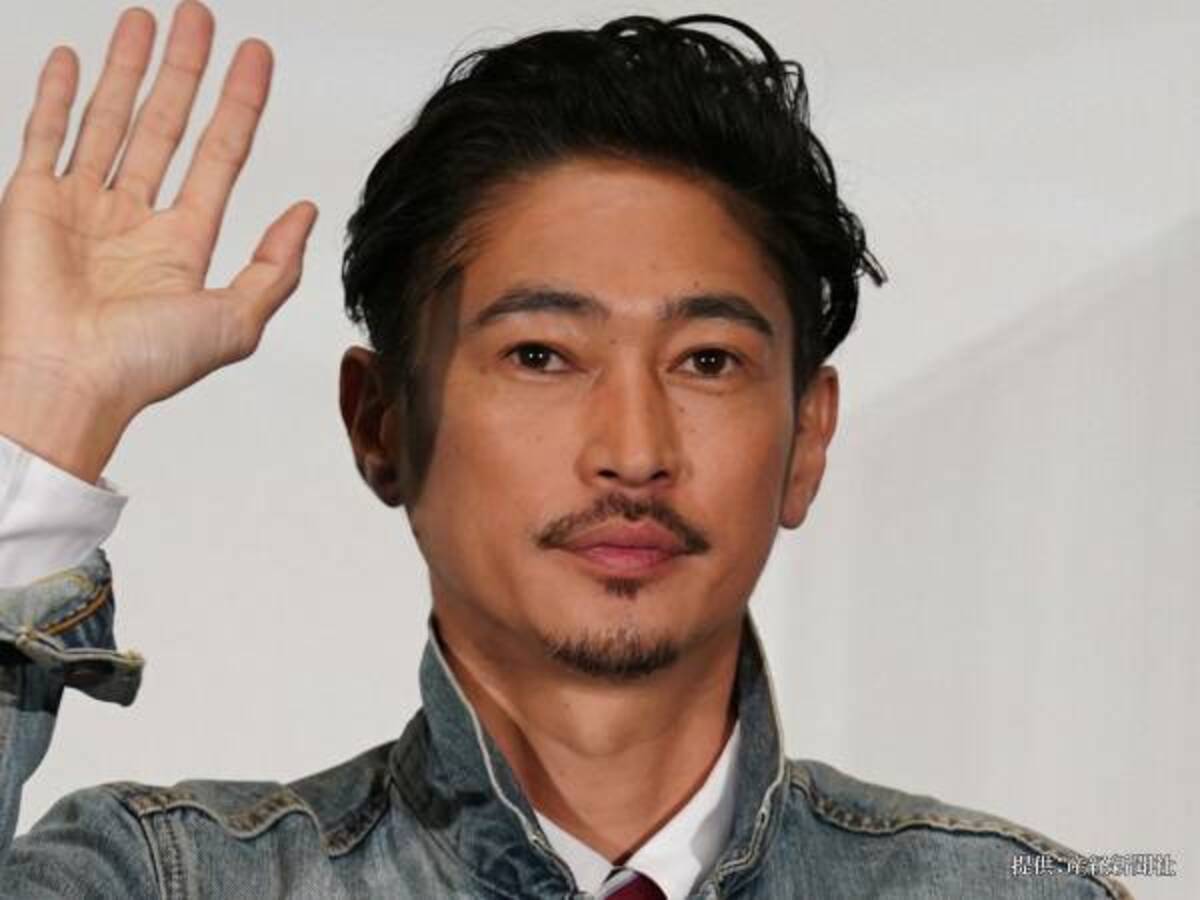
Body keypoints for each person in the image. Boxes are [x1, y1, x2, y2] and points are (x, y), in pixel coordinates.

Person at [0, 2, 1131, 897]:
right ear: (381, 423)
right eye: (541, 354)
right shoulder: (169, 880)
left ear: (806, 440)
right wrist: (48, 416)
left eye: (708, 360)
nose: (634, 452)